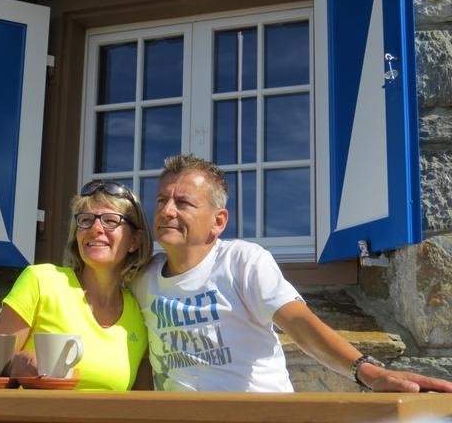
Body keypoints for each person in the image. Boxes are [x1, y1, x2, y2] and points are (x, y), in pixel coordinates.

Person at [132, 153, 452, 393]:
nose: (166, 211)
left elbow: (300, 323)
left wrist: (367, 371)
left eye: (183, 202)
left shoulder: (242, 261)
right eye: (161, 200)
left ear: (218, 221)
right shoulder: (142, 279)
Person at [0, 180, 153, 390]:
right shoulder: (41, 281)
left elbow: (140, 404)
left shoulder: (140, 314)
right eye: (86, 220)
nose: (95, 228)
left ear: (135, 241)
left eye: (110, 221)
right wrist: (19, 364)